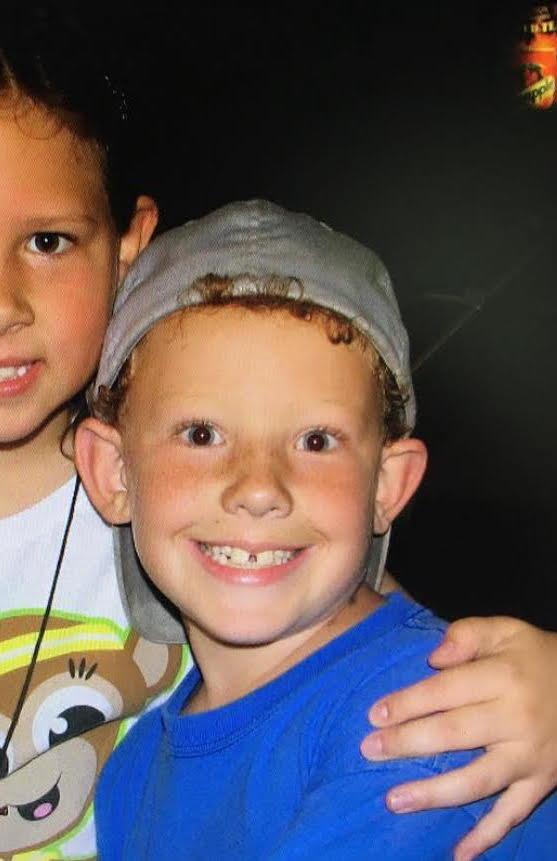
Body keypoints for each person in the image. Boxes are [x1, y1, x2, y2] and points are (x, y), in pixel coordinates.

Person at [0, 6, 554, 860]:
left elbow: (358, 616)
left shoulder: (174, 485)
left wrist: (539, 688)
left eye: (47, 240)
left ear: (125, 249)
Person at [76, 199, 557, 859]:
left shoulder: (423, 724)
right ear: (113, 472)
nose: (258, 487)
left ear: (386, 485)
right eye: (202, 434)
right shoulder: (130, 775)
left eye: (315, 440)